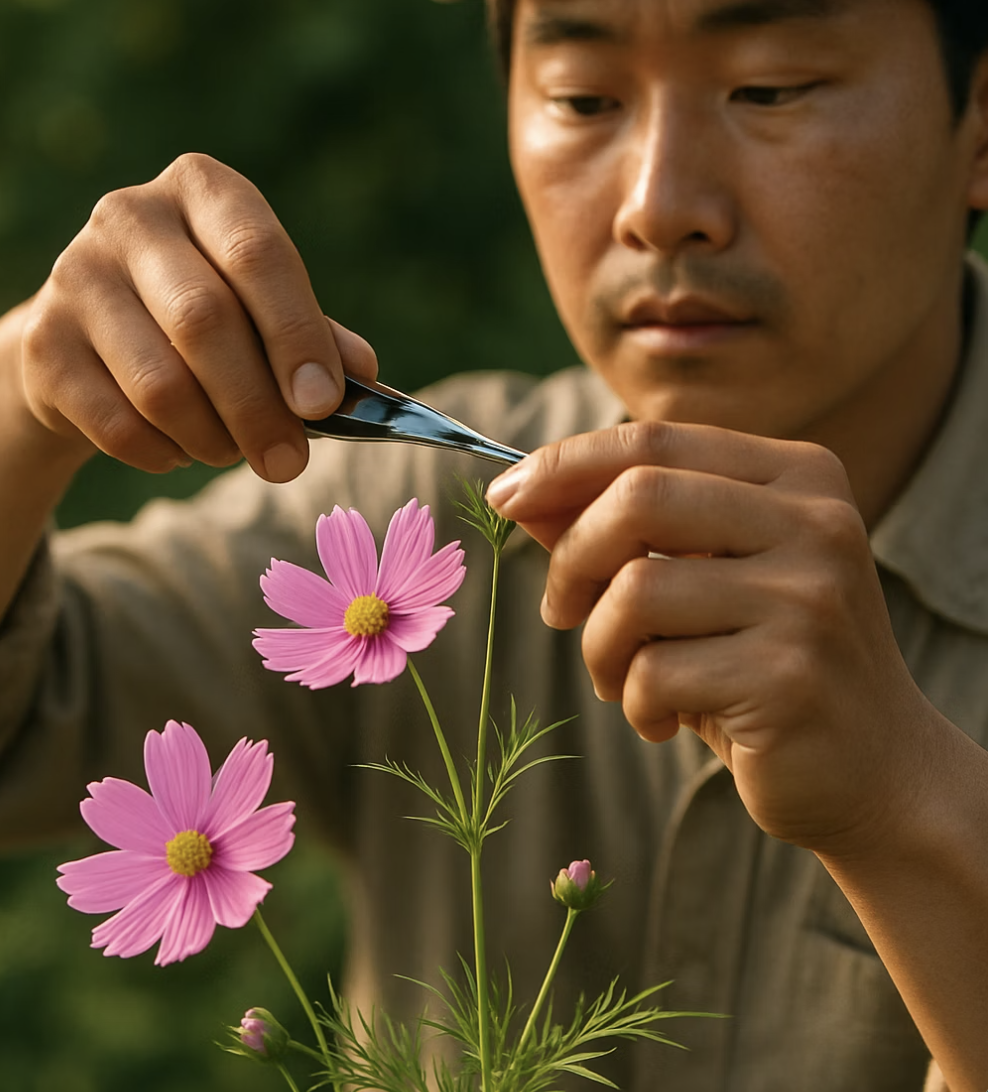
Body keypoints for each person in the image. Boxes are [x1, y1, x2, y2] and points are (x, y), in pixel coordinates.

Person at [1, 0, 987, 1088]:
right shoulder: (417, 523)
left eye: (769, 88)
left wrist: (909, 803)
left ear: (978, 119)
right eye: (584, 99)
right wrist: (21, 399)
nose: (658, 207)